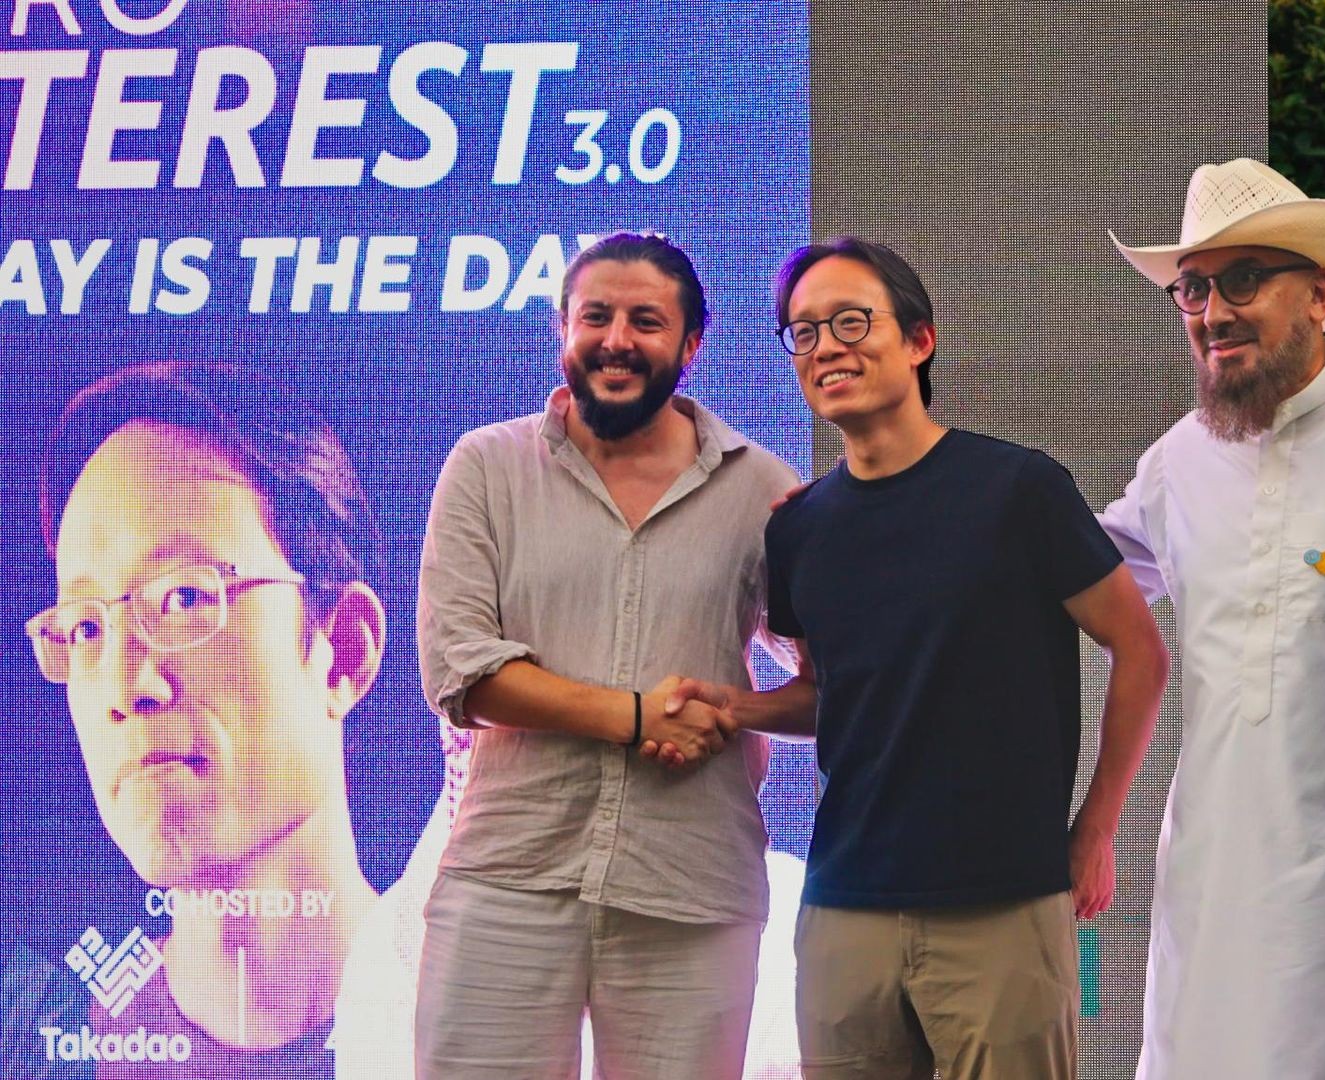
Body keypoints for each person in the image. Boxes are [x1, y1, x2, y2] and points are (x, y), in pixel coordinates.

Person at [664, 237, 1168, 1079]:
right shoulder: (799, 526)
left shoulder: (1019, 489)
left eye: (852, 321)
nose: (826, 346)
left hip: (1002, 897)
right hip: (844, 904)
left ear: (919, 341)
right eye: (803, 332)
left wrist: (1097, 829)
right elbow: (833, 694)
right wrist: (737, 707)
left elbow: (1140, 650)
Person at [413, 231, 799, 1079]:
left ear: (691, 345)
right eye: (597, 315)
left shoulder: (764, 490)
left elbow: (837, 683)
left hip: (691, 889)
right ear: (564, 328)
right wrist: (634, 717)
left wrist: (733, 710)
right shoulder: (487, 467)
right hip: (510, 880)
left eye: (646, 321)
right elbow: (460, 668)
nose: (617, 338)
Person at [1100, 157, 1325, 1078]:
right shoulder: (1176, 462)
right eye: (1192, 290)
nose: (1211, 313)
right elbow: (1064, 574)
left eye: (1241, 280)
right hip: (1207, 888)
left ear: (1318, 294)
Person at [19, 361, 389, 1075]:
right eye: (87, 629)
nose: (125, 686)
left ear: (342, 652)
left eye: (184, 597)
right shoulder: (40, 1043)